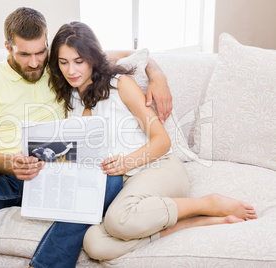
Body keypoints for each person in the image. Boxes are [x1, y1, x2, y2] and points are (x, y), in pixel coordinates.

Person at [0, 7, 172, 268]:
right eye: (24, 54)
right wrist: (13, 163)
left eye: (40, 52)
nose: (34, 63)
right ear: (8, 47)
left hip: (54, 174)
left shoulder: (61, 68)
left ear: (47, 45)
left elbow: (114, 56)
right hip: (4, 176)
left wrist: (157, 75)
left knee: (106, 178)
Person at [47, 21, 258, 261]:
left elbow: (162, 140)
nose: (71, 70)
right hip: (121, 186)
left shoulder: (120, 85)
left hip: (157, 168)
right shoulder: (69, 99)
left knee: (118, 221)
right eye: (63, 62)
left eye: (79, 61)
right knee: (95, 244)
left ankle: (206, 203)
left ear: (92, 58)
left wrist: (157, 75)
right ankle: (183, 225)